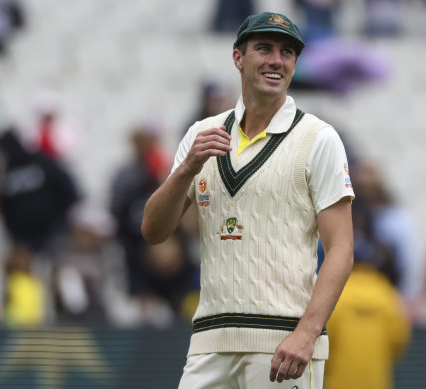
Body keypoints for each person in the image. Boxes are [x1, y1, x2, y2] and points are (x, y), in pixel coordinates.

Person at [142, 12, 355, 388]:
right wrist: (187, 168)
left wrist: (306, 333)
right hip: (209, 342)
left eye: (287, 52)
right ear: (238, 58)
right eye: (264, 48)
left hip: (283, 342)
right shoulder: (201, 134)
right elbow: (154, 231)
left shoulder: (318, 138)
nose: (277, 60)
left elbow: (340, 249)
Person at [324, 240, 411, 389]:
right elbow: (399, 339)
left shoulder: (336, 296)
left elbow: (324, 339)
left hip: (338, 382)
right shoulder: (387, 295)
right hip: (377, 381)